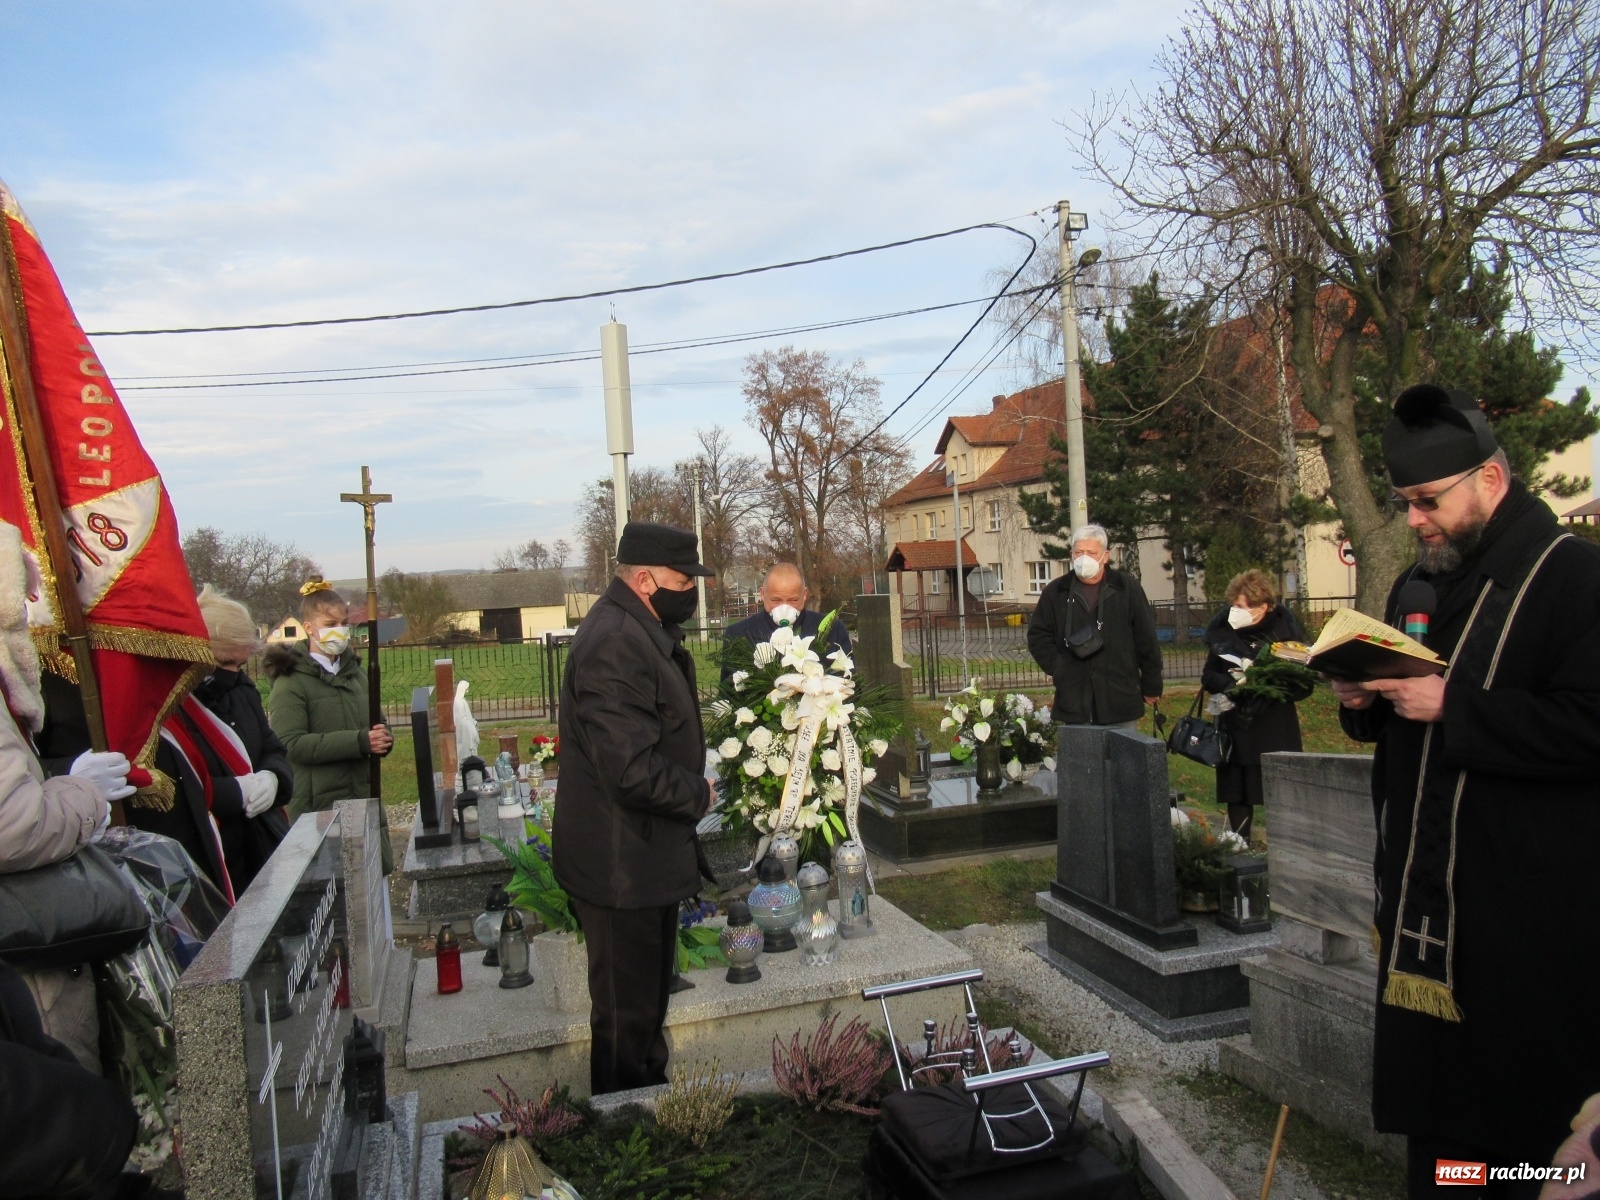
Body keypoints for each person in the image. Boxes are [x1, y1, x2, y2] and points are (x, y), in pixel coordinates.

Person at [1331, 383, 1600, 1194]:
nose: (1414, 521)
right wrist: (1360, 702)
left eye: (1427, 502)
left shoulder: (1574, 578)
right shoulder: (1421, 584)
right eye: (1405, 503)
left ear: (1490, 479)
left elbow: (1589, 725)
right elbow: (1396, 719)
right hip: (1423, 914)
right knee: (1446, 1147)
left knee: (1513, 1140)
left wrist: (1459, 709)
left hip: (1523, 925)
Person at [554, 521, 714, 1095]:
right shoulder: (617, 639)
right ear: (646, 580)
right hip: (623, 864)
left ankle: (644, 1118)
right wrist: (700, 793)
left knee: (643, 1013)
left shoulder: (639, 627)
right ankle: (626, 1138)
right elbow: (627, 769)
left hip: (642, 855)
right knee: (627, 1020)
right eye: (682, 579)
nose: (691, 590)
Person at [264, 579, 394, 870]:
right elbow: (291, 744)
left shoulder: (357, 674)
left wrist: (385, 738)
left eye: (344, 622)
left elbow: (378, 724)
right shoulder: (291, 681)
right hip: (319, 809)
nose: (340, 630)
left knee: (372, 891)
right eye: (331, 622)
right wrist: (360, 742)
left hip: (363, 800)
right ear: (309, 627)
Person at [186, 586, 293, 895]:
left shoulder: (242, 692)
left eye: (240, 665)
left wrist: (273, 778)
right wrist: (235, 792)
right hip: (215, 858)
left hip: (259, 849)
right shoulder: (174, 707)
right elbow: (177, 784)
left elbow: (272, 746)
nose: (233, 674)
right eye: (223, 663)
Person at [1200, 569, 1308, 840]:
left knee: (1279, 791)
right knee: (1237, 790)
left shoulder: (1286, 633)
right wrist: (1233, 683)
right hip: (1235, 723)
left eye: (1240, 607)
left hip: (1274, 725)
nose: (1233, 611)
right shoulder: (1223, 633)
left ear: (1263, 607)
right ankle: (1239, 845)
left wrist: (1267, 685)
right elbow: (1208, 676)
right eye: (1232, 605)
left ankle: (1286, 847)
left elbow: (1302, 682)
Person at [1027, 524, 1162, 728]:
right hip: (1074, 700)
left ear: (1105, 556)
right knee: (1081, 760)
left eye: (1091, 552)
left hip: (1120, 697)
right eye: (1079, 552)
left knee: (1122, 758)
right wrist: (1059, 667)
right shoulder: (1055, 592)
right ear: (1071, 554)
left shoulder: (1126, 588)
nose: (1084, 558)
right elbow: (1038, 636)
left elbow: (1146, 638)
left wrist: (1152, 684)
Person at [720, 562, 850, 682]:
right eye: (776, 600)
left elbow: (851, 684)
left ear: (804, 594)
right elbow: (728, 693)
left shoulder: (832, 630)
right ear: (762, 594)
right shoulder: (739, 635)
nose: (784, 608)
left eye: (793, 600)